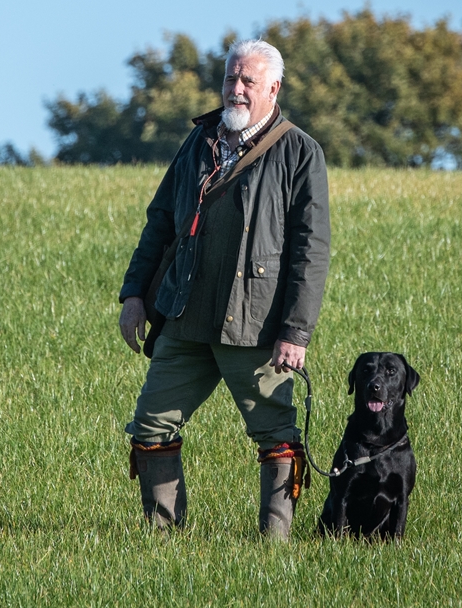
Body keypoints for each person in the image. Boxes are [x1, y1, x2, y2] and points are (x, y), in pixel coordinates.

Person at [118, 39, 330, 538]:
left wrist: (296, 332)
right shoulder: (200, 141)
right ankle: (163, 542)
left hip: (255, 325)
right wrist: (134, 295)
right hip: (184, 316)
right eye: (231, 79)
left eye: (248, 82)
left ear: (273, 88)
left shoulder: (301, 152)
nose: (235, 90)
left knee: (277, 436)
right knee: (149, 428)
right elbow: (159, 223)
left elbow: (310, 250)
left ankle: (274, 548)